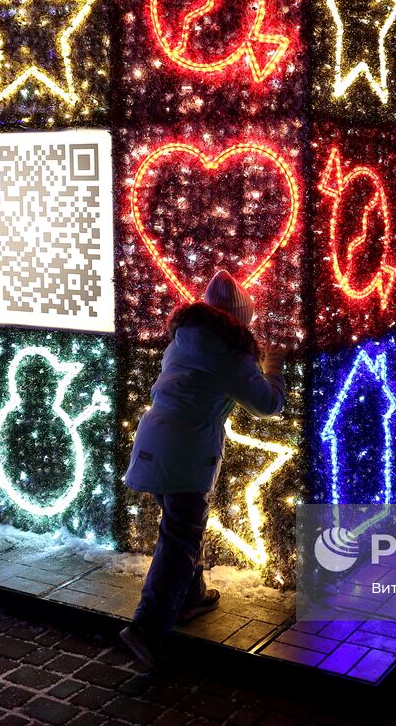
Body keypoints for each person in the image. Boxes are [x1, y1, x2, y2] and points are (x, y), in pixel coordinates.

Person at [119, 270, 286, 670]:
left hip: (153, 443)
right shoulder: (232, 355)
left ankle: (190, 599)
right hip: (186, 452)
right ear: (239, 319)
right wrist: (274, 369)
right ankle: (146, 627)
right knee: (179, 540)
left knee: (181, 530)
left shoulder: (184, 339)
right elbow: (267, 406)